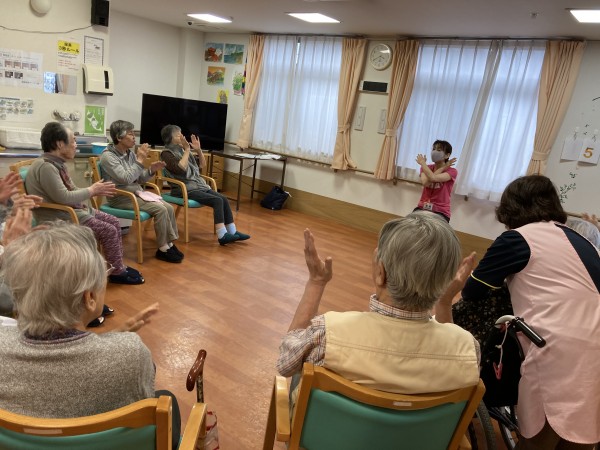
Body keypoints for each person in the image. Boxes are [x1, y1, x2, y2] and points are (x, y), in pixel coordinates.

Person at [0, 223, 181, 449]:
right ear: (90, 298)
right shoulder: (131, 353)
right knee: (167, 400)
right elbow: (141, 399)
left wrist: (111, 340)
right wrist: (116, 344)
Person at [461, 175, 600, 450]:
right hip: (592, 346)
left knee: (538, 440)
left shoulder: (516, 239)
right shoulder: (583, 241)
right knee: (581, 435)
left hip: (560, 351)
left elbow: (472, 291)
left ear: (509, 209)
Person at [277, 211, 480, 397]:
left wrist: (316, 283)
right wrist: (444, 302)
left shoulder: (326, 335)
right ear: (446, 283)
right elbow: (452, 349)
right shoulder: (469, 350)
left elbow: (286, 363)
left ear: (381, 273)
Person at [100, 120, 183, 263]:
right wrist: (139, 160)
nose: (134, 137)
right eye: (130, 134)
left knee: (168, 207)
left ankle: (169, 243)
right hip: (120, 197)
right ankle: (163, 248)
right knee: (160, 209)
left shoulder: (130, 154)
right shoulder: (108, 156)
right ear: (119, 137)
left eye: (134, 133)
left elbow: (139, 178)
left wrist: (151, 170)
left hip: (136, 194)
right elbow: (126, 178)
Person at [159, 124, 250, 245]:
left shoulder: (182, 150)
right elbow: (180, 169)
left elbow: (202, 165)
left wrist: (198, 150)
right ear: (169, 138)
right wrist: (187, 150)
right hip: (183, 189)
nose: (182, 137)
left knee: (223, 198)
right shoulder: (166, 153)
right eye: (178, 135)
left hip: (197, 186)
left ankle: (232, 231)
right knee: (217, 200)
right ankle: (222, 235)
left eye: (181, 134)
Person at [414, 140, 457, 222]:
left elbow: (433, 178)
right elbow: (426, 183)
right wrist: (443, 168)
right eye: (433, 149)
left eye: (439, 150)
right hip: (422, 207)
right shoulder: (426, 167)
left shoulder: (452, 171)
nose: (434, 152)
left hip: (441, 211)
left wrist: (423, 163)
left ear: (447, 155)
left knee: (433, 228)